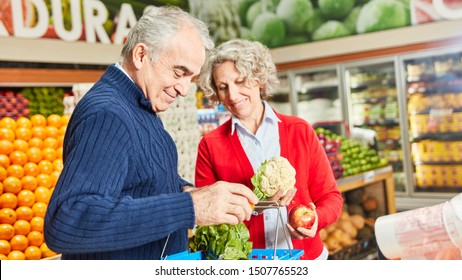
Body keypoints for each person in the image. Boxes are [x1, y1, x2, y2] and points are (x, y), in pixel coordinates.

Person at [44, 6, 258, 260]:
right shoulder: (108, 114)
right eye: (179, 73)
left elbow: (141, 181)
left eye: (191, 78)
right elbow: (68, 220)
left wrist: (189, 192)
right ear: (141, 55)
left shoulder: (138, 105)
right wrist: (190, 208)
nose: (184, 89)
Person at [195, 39, 343, 260]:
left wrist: (315, 219)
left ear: (259, 78)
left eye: (240, 81)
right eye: (223, 87)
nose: (233, 95)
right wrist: (256, 204)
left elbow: (331, 197)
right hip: (251, 263)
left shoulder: (299, 130)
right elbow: (207, 217)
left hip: (308, 260)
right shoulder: (211, 145)